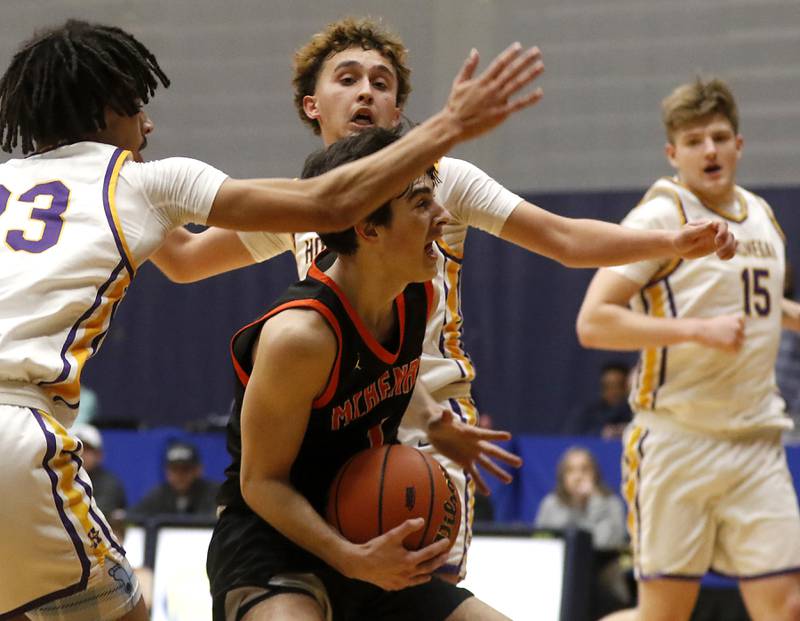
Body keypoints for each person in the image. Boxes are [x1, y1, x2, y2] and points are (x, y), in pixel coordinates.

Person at [151, 17, 736, 583]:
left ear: (399, 110)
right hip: (334, 427)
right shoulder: (300, 203)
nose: (366, 93)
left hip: (427, 426)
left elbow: (562, 238)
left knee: (414, 597)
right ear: (312, 104)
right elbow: (182, 260)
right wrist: (128, 185)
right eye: (348, 78)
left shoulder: (440, 180)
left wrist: (668, 242)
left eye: (382, 83)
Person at [0, 18, 544, 621]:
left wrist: (434, 421)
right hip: (28, 429)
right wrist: (450, 127)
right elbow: (327, 203)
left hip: (375, 462)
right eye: (138, 107)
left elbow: (180, 257)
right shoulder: (145, 184)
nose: (149, 125)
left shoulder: (414, 292)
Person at [207, 127, 526, 621]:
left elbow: (389, 375)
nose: (442, 217)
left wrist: (438, 424)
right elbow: (261, 482)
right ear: (368, 228)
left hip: (362, 530)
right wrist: (351, 560)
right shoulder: (301, 338)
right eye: (422, 204)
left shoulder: (416, 292)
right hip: (275, 540)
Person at [576, 77, 800, 621]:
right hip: (679, 442)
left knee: (785, 606)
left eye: (720, 137)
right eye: (695, 141)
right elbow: (594, 322)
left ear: (739, 145)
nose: (710, 150)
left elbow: (762, 303)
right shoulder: (660, 217)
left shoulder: (763, 217)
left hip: (755, 441)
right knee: (664, 616)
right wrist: (697, 331)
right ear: (673, 153)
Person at [534, 446, 626, 549]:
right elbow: (541, 542)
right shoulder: (550, 504)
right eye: (570, 470)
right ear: (562, 476)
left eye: (585, 469)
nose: (578, 476)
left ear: (595, 474)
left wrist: (595, 501)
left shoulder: (612, 504)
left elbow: (608, 544)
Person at [131, 441, 219, 517]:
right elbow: (133, 518)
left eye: (185, 469)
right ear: (166, 471)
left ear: (198, 470)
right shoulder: (158, 495)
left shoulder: (215, 495)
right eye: (174, 469)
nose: (179, 475)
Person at [73, 423, 127, 518]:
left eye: (86, 449)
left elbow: (97, 512)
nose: (81, 454)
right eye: (77, 449)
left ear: (99, 455)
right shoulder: (65, 478)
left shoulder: (109, 482)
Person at [569, 361, 634, 437]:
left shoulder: (637, 412)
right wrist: (602, 432)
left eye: (618, 386)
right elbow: (573, 438)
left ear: (628, 387)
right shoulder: (588, 413)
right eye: (608, 386)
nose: (613, 392)